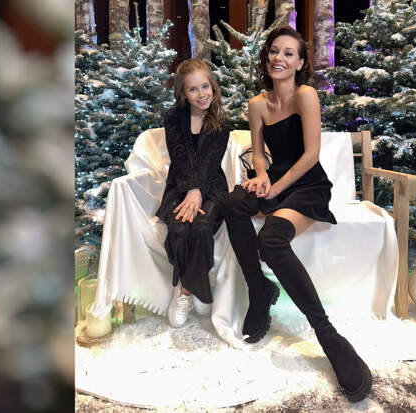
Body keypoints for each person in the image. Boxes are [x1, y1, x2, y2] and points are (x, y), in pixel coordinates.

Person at [221, 26, 372, 401]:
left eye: (289, 53)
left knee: (271, 239)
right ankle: (259, 290)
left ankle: (328, 335)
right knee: (232, 204)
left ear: (300, 63)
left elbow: (310, 155)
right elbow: (259, 153)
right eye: (275, 51)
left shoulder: (306, 95)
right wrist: (260, 176)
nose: (279, 58)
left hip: (306, 184)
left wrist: (275, 187)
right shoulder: (258, 104)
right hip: (274, 180)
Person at [157, 59, 231, 328]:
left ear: (213, 86)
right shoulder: (173, 119)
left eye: (205, 86)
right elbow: (180, 157)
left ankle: (186, 290)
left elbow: (210, 164)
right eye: (193, 89)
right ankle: (200, 287)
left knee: (200, 228)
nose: (201, 94)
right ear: (183, 93)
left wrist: (198, 192)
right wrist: (190, 190)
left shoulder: (222, 123)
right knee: (178, 229)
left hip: (213, 189)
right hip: (179, 187)